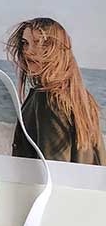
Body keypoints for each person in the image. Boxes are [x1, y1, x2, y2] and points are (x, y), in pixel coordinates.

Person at [6, 17, 105, 165]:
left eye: (40, 43)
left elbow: (54, 168)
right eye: (25, 43)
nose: (28, 51)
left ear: (57, 49)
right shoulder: (82, 97)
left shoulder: (48, 98)